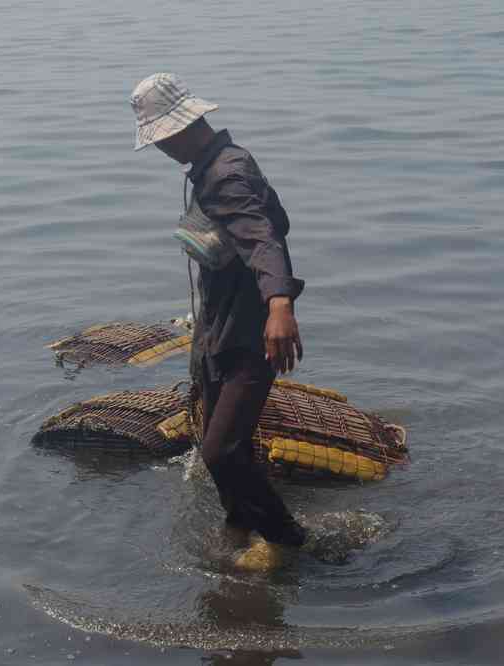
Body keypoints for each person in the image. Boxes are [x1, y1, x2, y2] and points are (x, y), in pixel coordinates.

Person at [130, 73, 307, 570]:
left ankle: (289, 540)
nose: (161, 146)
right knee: (227, 438)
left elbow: (262, 240)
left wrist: (279, 306)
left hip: (252, 332)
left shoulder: (225, 174)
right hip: (219, 327)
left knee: (221, 451)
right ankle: (239, 523)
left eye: (162, 136)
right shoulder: (214, 166)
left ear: (182, 127)